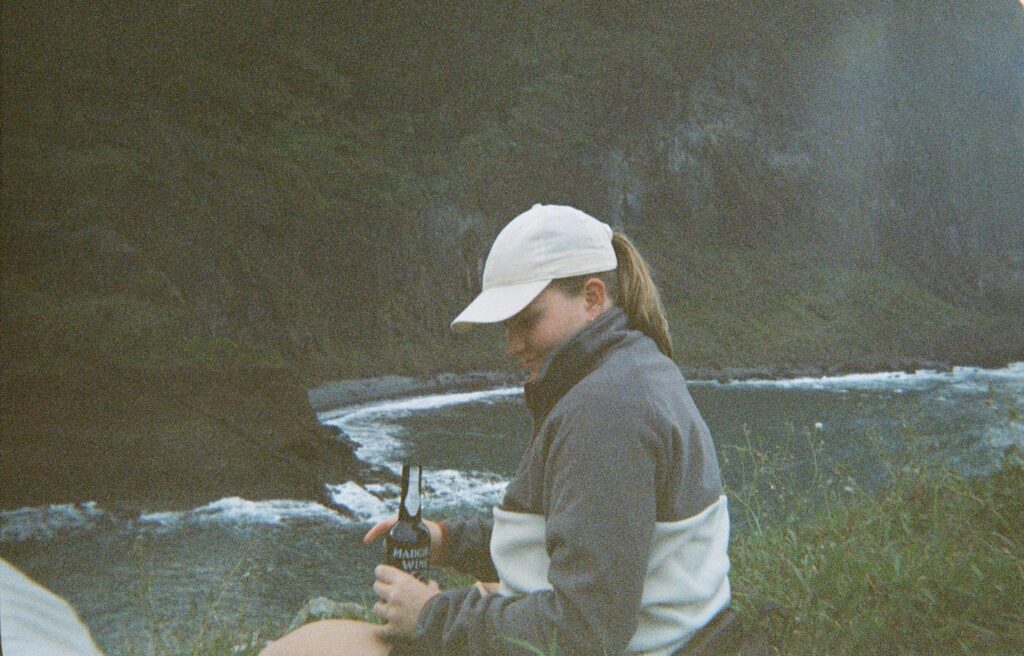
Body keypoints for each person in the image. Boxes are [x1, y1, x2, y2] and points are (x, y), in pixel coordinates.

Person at [261, 204, 730, 656]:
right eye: (507, 326)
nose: (511, 345)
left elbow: (586, 628)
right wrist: (447, 540)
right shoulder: (632, 371)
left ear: (592, 298)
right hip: (673, 638)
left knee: (292, 650)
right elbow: (576, 537)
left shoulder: (606, 410)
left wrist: (430, 614)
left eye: (527, 321)